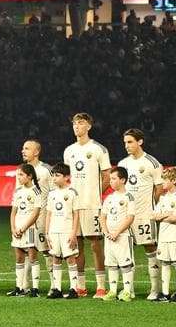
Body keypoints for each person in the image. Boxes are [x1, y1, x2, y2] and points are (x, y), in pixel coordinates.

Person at [62, 113, 111, 297]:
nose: (76, 126)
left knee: (95, 244)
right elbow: (67, 177)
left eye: (80, 123)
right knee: (77, 245)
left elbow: (106, 175)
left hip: (92, 204)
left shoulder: (99, 149)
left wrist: (97, 194)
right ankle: (80, 286)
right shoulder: (69, 151)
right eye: (74, 123)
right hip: (74, 205)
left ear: (89, 126)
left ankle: (100, 286)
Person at [118, 129, 163, 299]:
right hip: (127, 216)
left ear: (140, 142)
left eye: (130, 142)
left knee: (150, 249)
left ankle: (154, 289)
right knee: (126, 252)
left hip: (145, 215)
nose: (127, 146)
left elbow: (159, 188)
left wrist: (150, 206)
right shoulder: (123, 163)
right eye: (125, 142)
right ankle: (128, 289)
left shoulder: (152, 163)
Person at [20, 139, 52, 294]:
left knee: (47, 250)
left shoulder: (45, 170)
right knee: (27, 250)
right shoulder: (22, 171)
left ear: (36, 152)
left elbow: (54, 192)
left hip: (43, 218)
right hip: (26, 219)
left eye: (27, 148)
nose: (23, 151)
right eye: (23, 148)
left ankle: (54, 285)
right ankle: (24, 285)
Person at [44, 163, 80, 299]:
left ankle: (73, 289)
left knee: (70, 258)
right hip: (54, 231)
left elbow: (76, 214)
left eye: (57, 175)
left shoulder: (72, 193)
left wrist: (73, 233)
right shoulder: (52, 193)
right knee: (56, 258)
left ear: (66, 177)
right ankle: (57, 289)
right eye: (53, 175)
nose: (54, 178)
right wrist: (47, 232)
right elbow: (49, 213)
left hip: (67, 231)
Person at [99, 167, 136, 302]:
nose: (111, 182)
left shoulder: (128, 197)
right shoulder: (109, 198)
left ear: (123, 180)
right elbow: (102, 216)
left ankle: (127, 292)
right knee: (111, 264)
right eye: (110, 179)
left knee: (125, 264)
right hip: (109, 237)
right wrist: (106, 232)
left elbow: (130, 218)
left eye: (114, 179)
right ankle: (112, 291)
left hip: (123, 236)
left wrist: (117, 232)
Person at [151, 168, 176, 302]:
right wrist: (167, 215)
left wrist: (162, 216)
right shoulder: (162, 197)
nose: (162, 183)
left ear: (173, 181)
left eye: (165, 180)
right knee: (165, 263)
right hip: (164, 235)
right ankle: (165, 293)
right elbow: (154, 216)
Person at [8, 163, 43, 297]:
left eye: (21, 175)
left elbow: (35, 213)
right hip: (17, 228)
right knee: (19, 258)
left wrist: (23, 228)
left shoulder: (35, 191)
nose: (19, 177)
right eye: (18, 175)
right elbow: (13, 212)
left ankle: (35, 288)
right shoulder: (18, 191)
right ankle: (19, 287)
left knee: (33, 257)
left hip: (29, 229)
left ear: (30, 176)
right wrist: (13, 228)